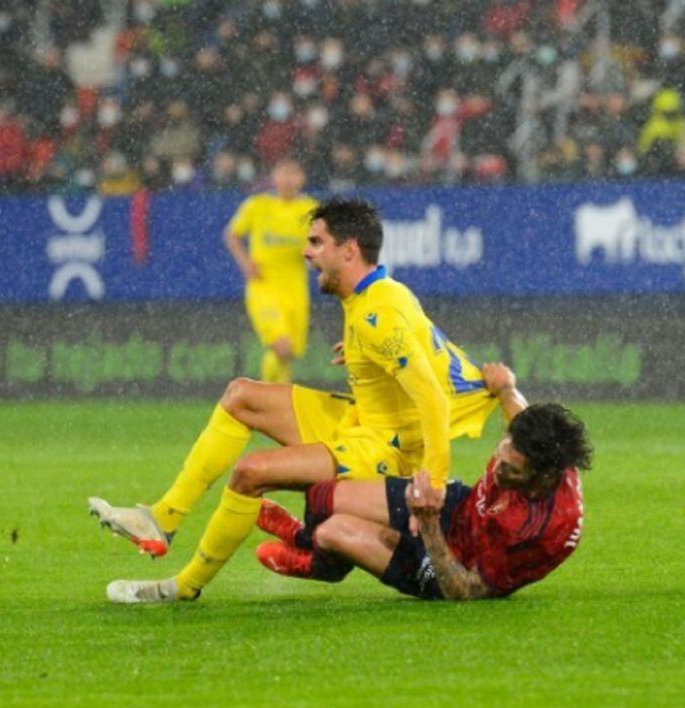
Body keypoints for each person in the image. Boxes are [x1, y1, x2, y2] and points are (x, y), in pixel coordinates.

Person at [94, 198, 501, 603]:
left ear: (349, 250)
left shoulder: (379, 315)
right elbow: (435, 356)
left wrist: (432, 485)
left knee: (250, 472)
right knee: (242, 396)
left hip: (383, 446)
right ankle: (161, 520)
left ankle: (182, 587)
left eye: (316, 242)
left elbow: (433, 397)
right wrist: (360, 348)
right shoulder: (379, 294)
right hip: (360, 418)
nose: (305, 251)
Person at [255, 365, 591, 601]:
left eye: (511, 471)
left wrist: (428, 523)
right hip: (456, 507)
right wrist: (506, 388)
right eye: (499, 456)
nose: (498, 471)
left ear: (543, 476)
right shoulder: (537, 445)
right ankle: (305, 538)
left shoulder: (535, 531)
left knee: (332, 531)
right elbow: (519, 414)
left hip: (449, 563)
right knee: (321, 496)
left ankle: (321, 563)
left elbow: (465, 591)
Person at [223, 159, 317, 383]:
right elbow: (232, 234)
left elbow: (320, 247)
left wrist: (314, 257)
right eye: (283, 173)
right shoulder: (257, 205)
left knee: (289, 353)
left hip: (295, 290)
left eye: (293, 173)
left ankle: (274, 401)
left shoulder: (311, 209)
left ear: (302, 178)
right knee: (282, 347)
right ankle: (269, 398)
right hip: (263, 287)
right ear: (274, 177)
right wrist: (245, 263)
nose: (288, 179)